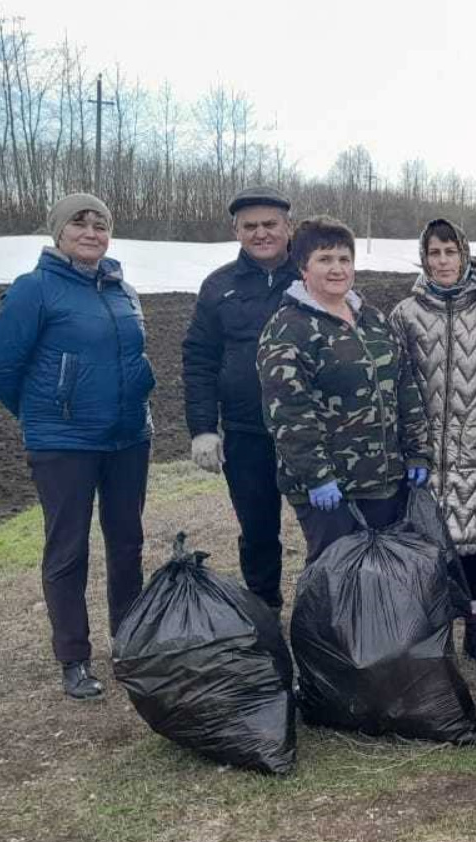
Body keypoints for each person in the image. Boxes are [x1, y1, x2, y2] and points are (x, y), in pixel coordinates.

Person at [0, 192, 156, 701]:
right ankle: (73, 657)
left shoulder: (122, 288)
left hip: (127, 437)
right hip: (64, 444)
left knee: (127, 543)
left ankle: (130, 639)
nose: (91, 233)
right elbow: (0, 369)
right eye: (79, 224)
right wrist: (47, 415)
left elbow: (135, 352)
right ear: (58, 233)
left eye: (100, 225)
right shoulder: (33, 290)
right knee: (68, 549)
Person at [257, 216, 432, 563]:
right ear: (303, 268)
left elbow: (405, 385)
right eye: (325, 259)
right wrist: (317, 476)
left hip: (386, 480)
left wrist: (417, 451)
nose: (337, 268)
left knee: (387, 575)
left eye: (344, 259)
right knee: (337, 578)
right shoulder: (288, 329)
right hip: (332, 492)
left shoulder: (372, 319)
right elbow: (289, 414)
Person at [388, 218, 476, 662]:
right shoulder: (405, 314)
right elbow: (397, 385)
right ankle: (431, 631)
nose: (443, 261)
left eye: (450, 252)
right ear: (424, 258)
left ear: (465, 254)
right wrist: (406, 446)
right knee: (427, 549)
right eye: (434, 253)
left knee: (472, 542)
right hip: (422, 453)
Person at [181, 187, 299, 610]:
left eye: (270, 224)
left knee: (326, 524)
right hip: (247, 433)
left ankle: (332, 612)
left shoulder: (313, 276)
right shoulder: (218, 287)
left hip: (310, 433)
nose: (261, 233)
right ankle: (266, 611)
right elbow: (199, 359)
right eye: (250, 226)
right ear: (236, 231)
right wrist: (202, 429)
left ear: (288, 226)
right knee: (258, 530)